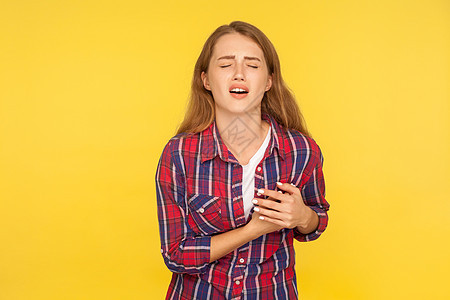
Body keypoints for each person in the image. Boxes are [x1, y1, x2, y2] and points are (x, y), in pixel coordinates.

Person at [155, 20, 330, 300]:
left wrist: (303, 216)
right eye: (225, 65)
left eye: (252, 65)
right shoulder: (179, 155)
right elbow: (176, 255)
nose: (239, 74)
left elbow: (316, 221)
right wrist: (254, 230)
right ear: (206, 80)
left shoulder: (301, 150)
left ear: (269, 81)